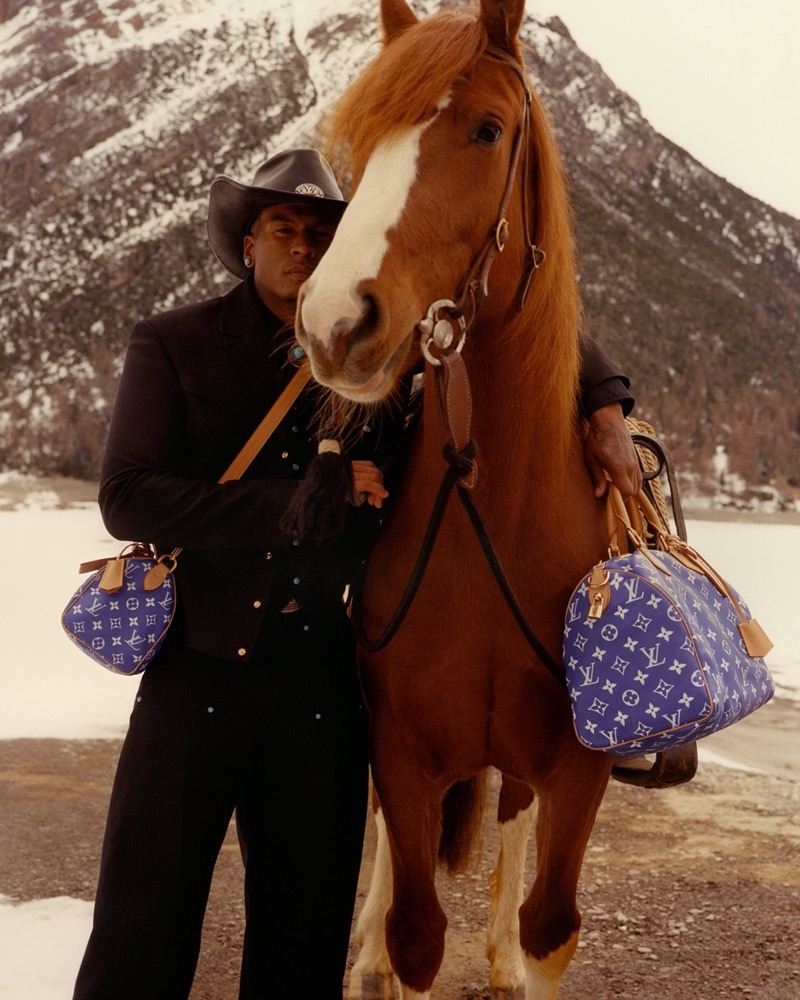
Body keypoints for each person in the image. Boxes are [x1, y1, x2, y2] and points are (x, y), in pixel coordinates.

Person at [72, 148, 639, 1000]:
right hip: (193, 682)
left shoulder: (377, 348)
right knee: (138, 936)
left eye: (319, 232)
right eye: (283, 229)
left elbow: (514, 318)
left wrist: (603, 400)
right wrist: (295, 501)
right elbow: (127, 497)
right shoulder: (174, 342)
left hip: (322, 695)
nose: (302, 247)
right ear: (248, 244)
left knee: (301, 950)